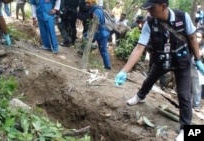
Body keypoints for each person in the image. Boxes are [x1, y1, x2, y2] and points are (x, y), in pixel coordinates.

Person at [114, 0, 204, 141]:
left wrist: (198, 59)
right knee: (149, 79)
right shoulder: (149, 23)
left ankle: (185, 129)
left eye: (151, 8)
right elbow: (139, 47)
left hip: (182, 61)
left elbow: (192, 37)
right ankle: (140, 97)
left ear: (163, 6)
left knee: (184, 95)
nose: (148, 11)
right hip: (162, 60)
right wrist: (124, 70)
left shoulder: (182, 17)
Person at [85, 0, 111, 70]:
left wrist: (90, 34)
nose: (87, 4)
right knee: (86, 39)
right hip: (101, 32)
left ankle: (107, 66)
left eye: (88, 3)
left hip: (101, 33)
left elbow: (96, 24)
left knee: (103, 50)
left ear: (93, 2)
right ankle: (107, 66)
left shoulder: (97, 11)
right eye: (86, 3)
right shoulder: (94, 10)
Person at [191, 27, 204, 112]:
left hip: (198, 71)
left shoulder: (202, 47)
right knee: (188, 87)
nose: (197, 39)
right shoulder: (192, 43)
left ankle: (196, 105)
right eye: (196, 36)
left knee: (196, 89)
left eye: (199, 37)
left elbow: (199, 54)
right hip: (189, 68)